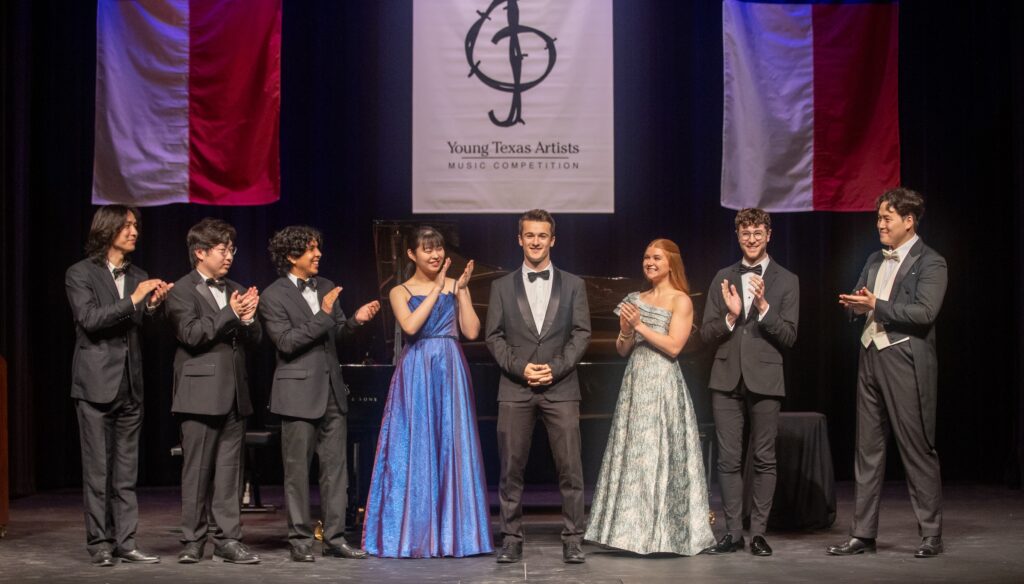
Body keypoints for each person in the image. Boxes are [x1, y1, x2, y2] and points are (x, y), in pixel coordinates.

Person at [829, 188, 947, 558]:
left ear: (908, 221)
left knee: (916, 447)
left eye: (887, 218)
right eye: (878, 217)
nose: (879, 224)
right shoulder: (874, 260)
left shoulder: (931, 262)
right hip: (870, 357)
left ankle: (931, 533)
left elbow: (925, 313)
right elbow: (861, 300)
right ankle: (863, 533)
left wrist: (875, 304)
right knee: (867, 450)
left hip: (904, 358)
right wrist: (854, 305)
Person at [362, 226, 492, 558]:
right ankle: (415, 535)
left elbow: (472, 330)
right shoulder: (399, 290)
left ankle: (455, 536)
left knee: (452, 445)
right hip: (417, 369)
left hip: (450, 367)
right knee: (416, 447)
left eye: (438, 249)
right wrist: (437, 288)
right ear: (411, 254)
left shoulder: (454, 284)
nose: (435, 255)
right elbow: (410, 326)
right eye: (427, 249)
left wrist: (461, 291)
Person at [585, 239, 716, 555]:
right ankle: (629, 533)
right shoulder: (634, 298)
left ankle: (665, 533)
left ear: (671, 261)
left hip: (661, 382)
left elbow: (674, 347)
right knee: (633, 454)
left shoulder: (680, 300)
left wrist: (639, 324)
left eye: (656, 257)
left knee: (660, 454)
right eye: (646, 257)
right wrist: (627, 331)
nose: (649, 262)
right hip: (635, 381)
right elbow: (622, 348)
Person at [259, 226, 379, 562]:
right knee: (297, 472)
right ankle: (299, 539)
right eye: (311, 249)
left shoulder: (326, 287)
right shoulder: (272, 296)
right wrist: (325, 315)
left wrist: (354, 321)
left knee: (336, 470)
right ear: (291, 256)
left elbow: (336, 333)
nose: (318, 254)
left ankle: (335, 537)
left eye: (318, 248)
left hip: (331, 393)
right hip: (297, 394)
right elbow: (287, 342)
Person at [65, 205, 171, 567]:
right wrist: (134, 299)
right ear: (107, 229)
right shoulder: (80, 274)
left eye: (135, 226)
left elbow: (139, 329)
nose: (134, 232)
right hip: (95, 387)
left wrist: (153, 307)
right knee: (98, 471)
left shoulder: (137, 274)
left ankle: (126, 541)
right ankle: (100, 544)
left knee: (126, 473)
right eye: (126, 226)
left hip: (130, 386)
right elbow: (91, 320)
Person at [485, 209, 591, 564]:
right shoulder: (500, 286)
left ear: (552, 240)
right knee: (510, 470)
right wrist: (521, 368)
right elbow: (494, 337)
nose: (535, 241)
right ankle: (511, 538)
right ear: (520, 239)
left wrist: (554, 369)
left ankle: (573, 538)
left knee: (570, 470)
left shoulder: (574, 284)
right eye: (529, 235)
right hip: (515, 388)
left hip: (561, 387)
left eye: (541, 236)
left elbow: (581, 334)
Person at [701, 208, 799, 557]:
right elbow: (706, 332)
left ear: (769, 234)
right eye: (746, 233)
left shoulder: (787, 280)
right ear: (738, 236)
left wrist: (764, 308)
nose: (752, 239)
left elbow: (789, 335)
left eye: (758, 232)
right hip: (726, 376)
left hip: (766, 377)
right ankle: (732, 533)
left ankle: (758, 532)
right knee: (727, 459)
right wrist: (730, 314)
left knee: (763, 458)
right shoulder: (722, 277)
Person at [165, 218, 262, 565]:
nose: (229, 256)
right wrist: (230, 312)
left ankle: (228, 539)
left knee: (229, 473)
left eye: (231, 249)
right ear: (200, 252)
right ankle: (192, 540)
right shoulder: (181, 290)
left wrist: (249, 319)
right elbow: (191, 334)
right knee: (197, 471)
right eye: (222, 250)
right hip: (199, 394)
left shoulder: (234, 287)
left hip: (235, 393)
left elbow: (255, 340)